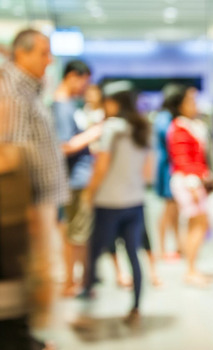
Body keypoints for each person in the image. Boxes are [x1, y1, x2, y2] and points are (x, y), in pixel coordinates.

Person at [0, 28, 69, 349]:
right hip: (24, 203)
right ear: (22, 53)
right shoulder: (13, 89)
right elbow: (10, 150)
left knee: (33, 274)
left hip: (36, 201)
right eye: (43, 52)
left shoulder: (27, 88)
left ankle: (28, 337)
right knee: (28, 274)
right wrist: (23, 207)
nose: (49, 59)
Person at [81, 81, 153, 323]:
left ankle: (86, 299)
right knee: (133, 254)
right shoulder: (143, 127)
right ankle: (136, 307)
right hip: (135, 200)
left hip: (109, 201)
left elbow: (101, 167)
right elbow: (149, 171)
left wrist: (89, 192)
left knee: (95, 250)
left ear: (114, 103)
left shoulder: (111, 128)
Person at [53, 60, 101, 297]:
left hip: (76, 178)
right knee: (76, 234)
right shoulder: (62, 105)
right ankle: (75, 282)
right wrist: (94, 133)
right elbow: (64, 145)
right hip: (75, 179)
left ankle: (77, 280)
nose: (85, 87)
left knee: (75, 232)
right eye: (84, 81)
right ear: (73, 76)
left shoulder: (69, 104)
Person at [166, 85, 213, 288]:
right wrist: (194, 184)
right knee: (198, 224)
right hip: (188, 181)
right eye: (190, 101)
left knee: (198, 224)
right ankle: (190, 269)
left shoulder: (189, 124)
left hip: (192, 180)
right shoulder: (179, 127)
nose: (194, 105)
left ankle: (193, 267)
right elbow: (182, 160)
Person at [155, 84, 184, 260]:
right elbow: (171, 139)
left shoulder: (166, 117)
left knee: (174, 210)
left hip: (170, 166)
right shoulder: (165, 118)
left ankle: (177, 245)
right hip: (168, 168)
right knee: (168, 209)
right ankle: (162, 248)